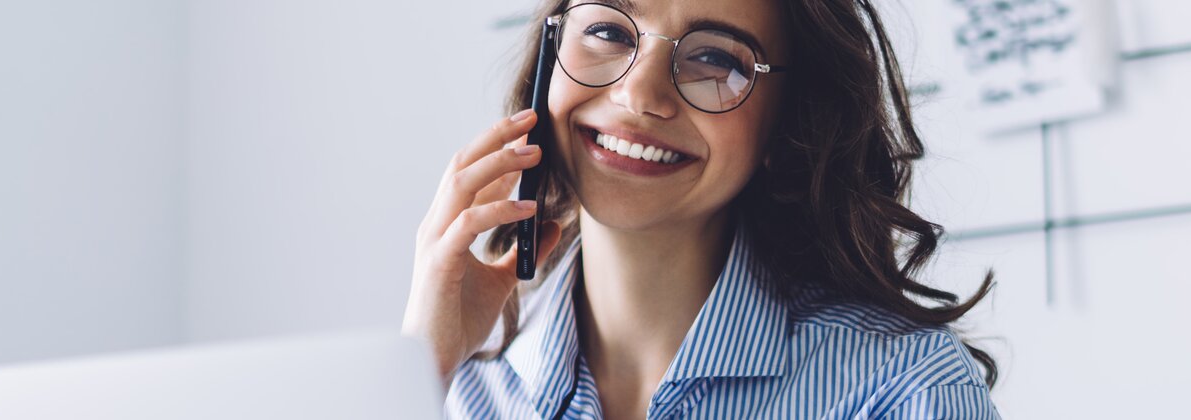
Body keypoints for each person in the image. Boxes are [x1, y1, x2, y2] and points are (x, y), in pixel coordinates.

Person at [404, 0, 1000, 418]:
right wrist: (418, 374)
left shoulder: (903, 390)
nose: (639, 94)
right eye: (609, 31)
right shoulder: (455, 386)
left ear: (788, 123)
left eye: (716, 59)